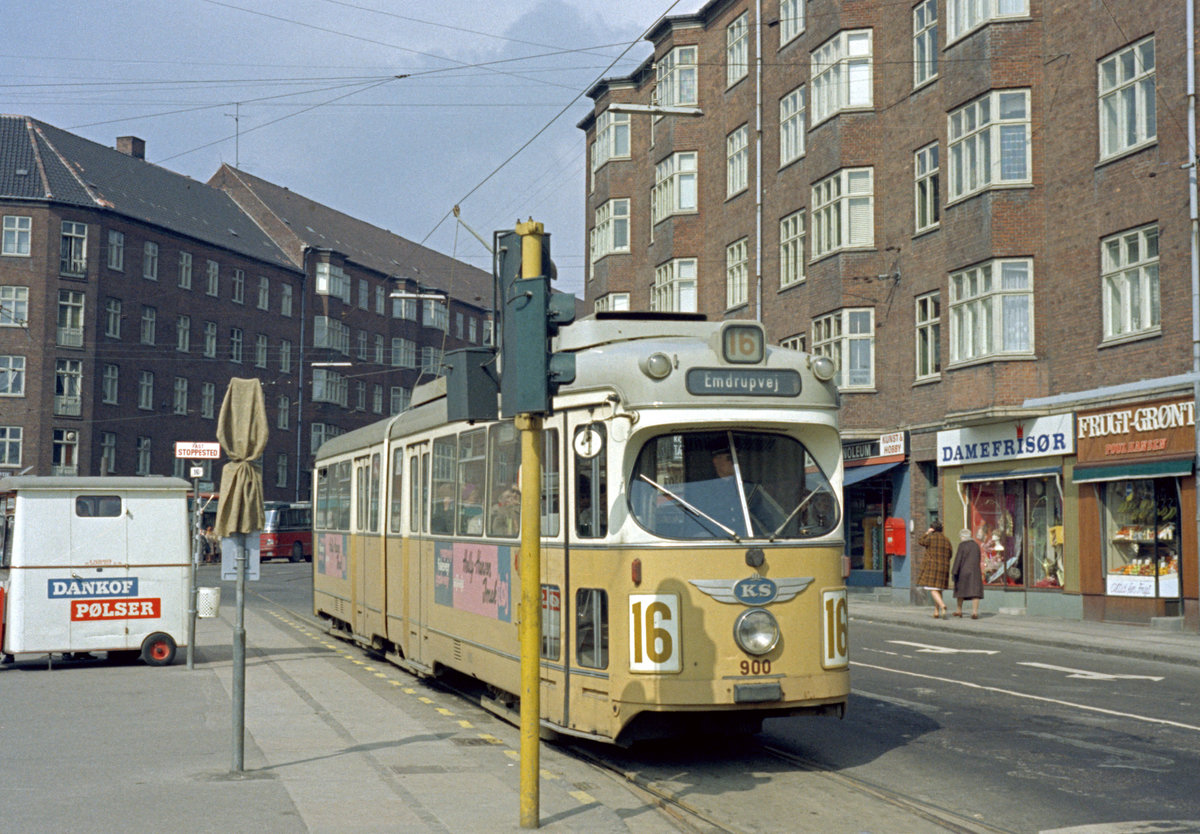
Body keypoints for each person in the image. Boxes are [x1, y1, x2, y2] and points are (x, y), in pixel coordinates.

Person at [916, 521, 953, 618]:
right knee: (938, 589)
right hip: (944, 567)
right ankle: (936, 612)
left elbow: (920, 541)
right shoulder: (946, 540)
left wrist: (927, 533)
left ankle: (942, 605)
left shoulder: (931, 538)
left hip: (932, 567)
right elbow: (950, 554)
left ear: (933, 529)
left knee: (932, 588)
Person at [950, 528, 984, 619]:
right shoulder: (976, 545)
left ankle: (959, 610)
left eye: (961, 536)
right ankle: (974, 612)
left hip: (963, 571)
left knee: (960, 591)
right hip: (975, 571)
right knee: (975, 592)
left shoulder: (962, 545)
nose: (960, 538)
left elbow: (958, 559)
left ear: (963, 537)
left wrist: (954, 571)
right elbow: (978, 558)